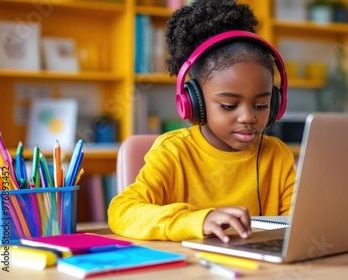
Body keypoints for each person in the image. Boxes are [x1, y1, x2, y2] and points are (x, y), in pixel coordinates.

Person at [108, 0, 296, 243]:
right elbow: (121, 212)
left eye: (261, 105)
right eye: (229, 106)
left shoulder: (277, 155)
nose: (248, 117)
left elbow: (298, 224)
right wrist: (198, 220)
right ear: (193, 102)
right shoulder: (173, 152)